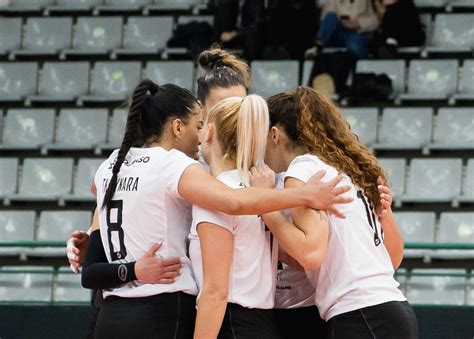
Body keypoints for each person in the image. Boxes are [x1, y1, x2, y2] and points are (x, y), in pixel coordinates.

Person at [82, 79, 351, 338]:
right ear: (177, 127)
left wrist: (96, 234)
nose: (198, 135)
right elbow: (233, 202)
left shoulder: (111, 165)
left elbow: (103, 204)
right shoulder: (177, 166)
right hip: (167, 310)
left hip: (113, 312)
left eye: (203, 126)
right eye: (195, 124)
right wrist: (303, 195)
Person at [254, 86, 417, 338]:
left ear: (274, 134)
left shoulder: (303, 169)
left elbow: (309, 254)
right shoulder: (343, 170)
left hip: (361, 313)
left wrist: (264, 204)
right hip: (392, 309)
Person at [190, 95, 280, 338]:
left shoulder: (216, 196)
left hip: (230, 322)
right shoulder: (261, 193)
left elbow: (216, 292)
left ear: (209, 132)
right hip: (263, 323)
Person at [305, 0, 379, 59]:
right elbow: (325, 20)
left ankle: (367, 59)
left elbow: (375, 21)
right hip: (337, 33)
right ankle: (317, 46)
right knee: (331, 16)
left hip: (356, 33)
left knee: (354, 45)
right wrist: (339, 21)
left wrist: (358, 23)